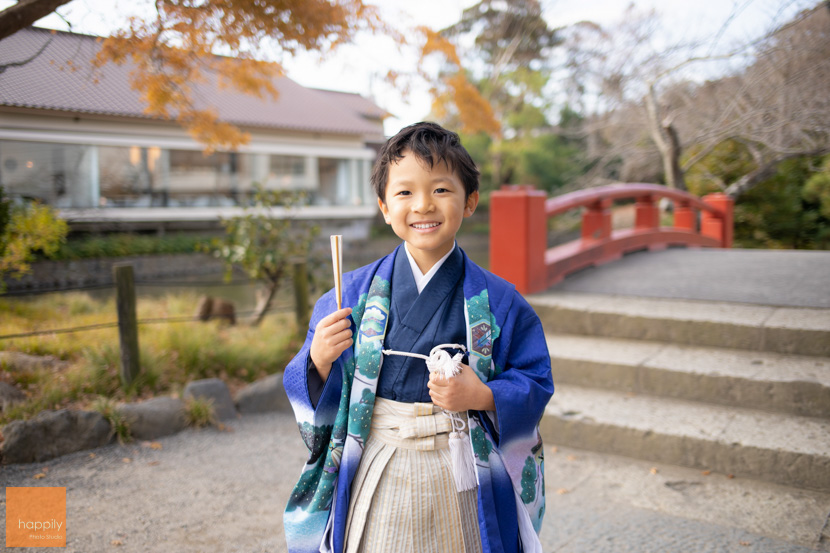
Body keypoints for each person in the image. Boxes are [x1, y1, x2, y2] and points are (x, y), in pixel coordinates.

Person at [283, 122, 554, 553]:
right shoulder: (348, 295)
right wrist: (317, 360)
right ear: (384, 207)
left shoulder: (499, 301)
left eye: (441, 190)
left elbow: (534, 380)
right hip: (378, 455)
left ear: (470, 202)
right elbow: (309, 386)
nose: (423, 205)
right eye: (405, 192)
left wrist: (482, 395)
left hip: (463, 465)